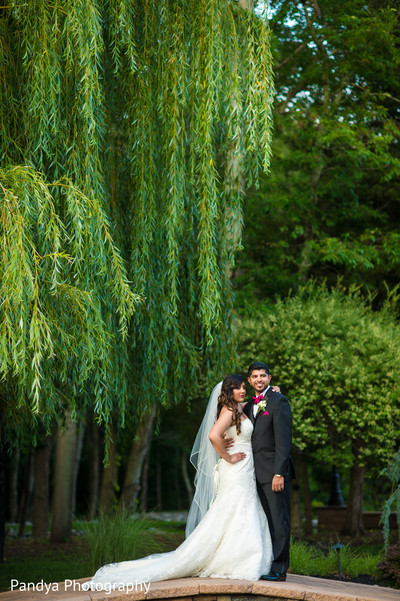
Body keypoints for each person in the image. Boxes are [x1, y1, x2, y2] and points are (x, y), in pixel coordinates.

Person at [85, 375, 273, 592]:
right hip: (236, 468)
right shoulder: (230, 411)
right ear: (228, 391)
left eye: (243, 387)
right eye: (238, 388)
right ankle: (238, 561)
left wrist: (272, 390)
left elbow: (252, 408)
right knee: (238, 510)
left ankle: (244, 557)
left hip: (244, 468)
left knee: (238, 511)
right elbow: (213, 435)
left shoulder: (239, 408)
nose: (242, 390)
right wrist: (228, 457)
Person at [243, 361, 295, 582]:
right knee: (264, 522)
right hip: (252, 473)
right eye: (255, 376)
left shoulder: (278, 401)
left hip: (273, 474)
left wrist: (279, 473)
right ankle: (267, 562)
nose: (259, 380)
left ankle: (279, 569)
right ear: (249, 380)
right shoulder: (247, 406)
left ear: (270, 378)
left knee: (278, 520)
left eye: (263, 376)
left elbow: (284, 440)